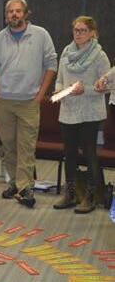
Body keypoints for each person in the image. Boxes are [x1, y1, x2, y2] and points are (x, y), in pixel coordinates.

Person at [0, 0, 57, 208]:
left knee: (26, 147)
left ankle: (26, 188)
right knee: (9, 147)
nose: (14, 14)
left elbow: (51, 65)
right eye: (10, 11)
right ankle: (14, 184)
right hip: (4, 102)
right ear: (6, 16)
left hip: (29, 102)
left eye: (18, 11)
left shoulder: (41, 35)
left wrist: (40, 96)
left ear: (26, 14)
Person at [52, 16, 110, 214]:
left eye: (83, 30)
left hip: (90, 112)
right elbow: (59, 79)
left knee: (89, 152)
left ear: (92, 33)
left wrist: (85, 89)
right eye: (76, 30)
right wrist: (59, 90)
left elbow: (106, 86)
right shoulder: (66, 52)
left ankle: (90, 196)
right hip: (68, 111)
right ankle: (70, 193)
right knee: (69, 153)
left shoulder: (99, 55)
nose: (78, 34)